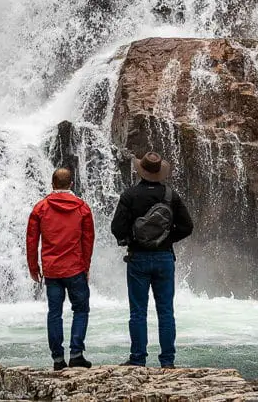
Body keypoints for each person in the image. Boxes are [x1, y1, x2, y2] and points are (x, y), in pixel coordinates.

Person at [110, 151, 194, 368]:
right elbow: (187, 227)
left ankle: (137, 359)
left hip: (138, 258)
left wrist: (129, 240)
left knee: (138, 311)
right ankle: (167, 361)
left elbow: (116, 227)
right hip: (164, 257)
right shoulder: (170, 196)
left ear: (141, 171)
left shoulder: (130, 195)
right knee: (165, 311)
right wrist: (166, 239)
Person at [26, 167, 94, 370]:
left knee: (54, 312)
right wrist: (86, 265)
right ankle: (76, 354)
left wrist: (33, 266)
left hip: (52, 270)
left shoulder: (41, 208)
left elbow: (31, 240)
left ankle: (57, 359)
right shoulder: (82, 208)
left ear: (52, 184)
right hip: (75, 268)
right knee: (81, 309)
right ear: (71, 184)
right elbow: (88, 240)